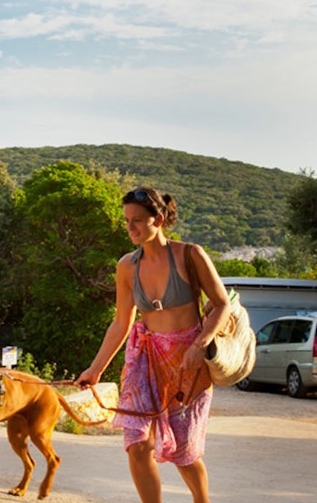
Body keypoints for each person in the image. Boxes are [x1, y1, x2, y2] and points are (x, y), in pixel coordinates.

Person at [76, 187, 230, 503]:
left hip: (188, 361)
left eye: (137, 221)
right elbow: (121, 323)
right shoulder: (127, 266)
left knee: (183, 452)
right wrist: (95, 369)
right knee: (136, 443)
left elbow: (222, 304)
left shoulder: (190, 254)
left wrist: (199, 345)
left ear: (158, 219)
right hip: (146, 359)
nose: (130, 228)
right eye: (127, 222)